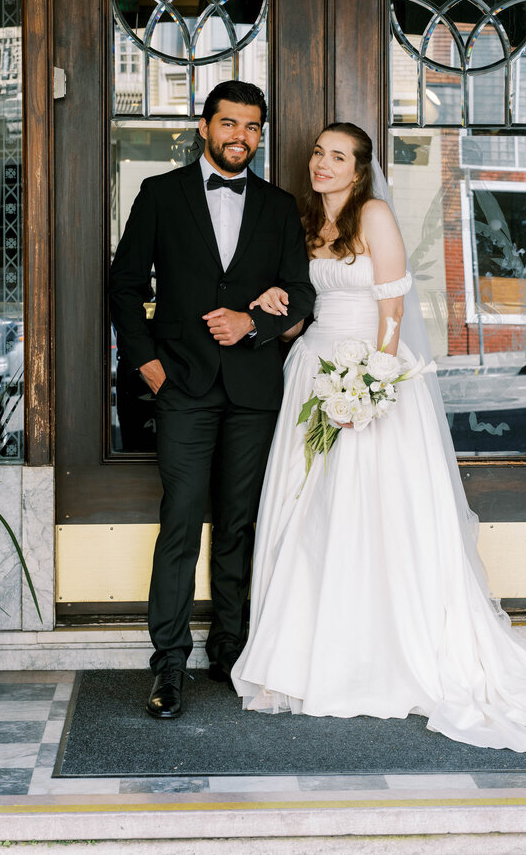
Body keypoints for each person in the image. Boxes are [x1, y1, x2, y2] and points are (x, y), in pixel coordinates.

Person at [231, 121, 526, 760]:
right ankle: (306, 656)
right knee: (305, 511)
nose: (321, 164)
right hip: (312, 369)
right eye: (318, 154)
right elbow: (306, 310)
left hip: (366, 373)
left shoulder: (373, 217)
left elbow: (392, 311)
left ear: (360, 169)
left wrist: (371, 383)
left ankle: (377, 655)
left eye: (337, 157)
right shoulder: (308, 222)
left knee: (366, 514)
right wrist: (273, 307)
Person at [109, 80, 315, 721]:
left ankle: (230, 651)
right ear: (205, 127)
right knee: (179, 523)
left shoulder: (279, 206)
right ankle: (169, 664)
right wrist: (149, 368)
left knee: (238, 525)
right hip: (182, 388)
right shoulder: (160, 194)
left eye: (252, 127)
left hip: (254, 391)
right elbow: (124, 285)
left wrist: (253, 324)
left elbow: (302, 294)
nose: (240, 137)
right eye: (229, 124)